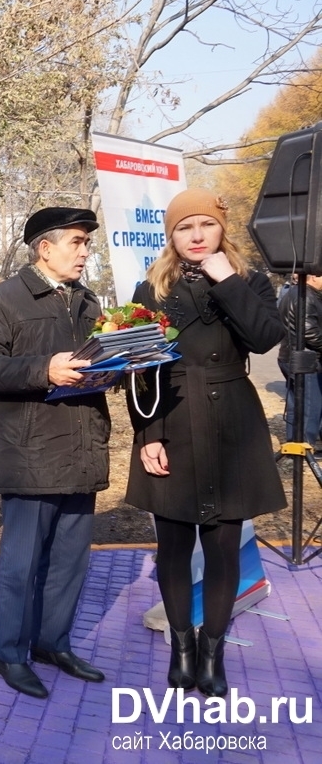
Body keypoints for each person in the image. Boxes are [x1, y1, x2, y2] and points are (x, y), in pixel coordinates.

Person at [125, 189, 286, 698]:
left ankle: (212, 651)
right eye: (183, 227)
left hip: (233, 425)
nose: (196, 236)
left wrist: (227, 281)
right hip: (171, 420)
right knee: (172, 547)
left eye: (205, 225)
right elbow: (137, 370)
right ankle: (182, 647)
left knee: (223, 547)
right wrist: (147, 435)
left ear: (221, 230)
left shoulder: (250, 281)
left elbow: (264, 338)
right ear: (171, 236)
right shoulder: (151, 289)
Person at [0, 207, 110, 699]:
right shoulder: (2, 301)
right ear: (44, 248)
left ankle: (53, 643)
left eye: (87, 243)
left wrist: (119, 364)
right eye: (78, 242)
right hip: (29, 454)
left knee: (70, 562)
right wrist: (43, 369)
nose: (86, 252)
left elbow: (95, 364)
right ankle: (8, 653)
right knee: (21, 565)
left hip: (83, 448)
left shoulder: (89, 302)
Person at [277, 272, 322, 446]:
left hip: (291, 356)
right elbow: (309, 332)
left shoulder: (296, 293)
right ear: (313, 276)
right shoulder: (305, 296)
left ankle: (293, 442)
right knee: (310, 406)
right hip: (305, 359)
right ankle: (305, 446)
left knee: (296, 403)